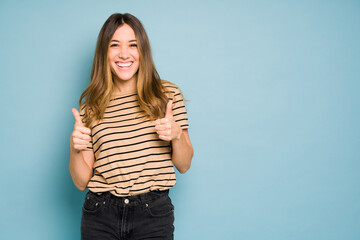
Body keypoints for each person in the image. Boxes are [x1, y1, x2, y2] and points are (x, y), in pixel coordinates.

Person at [68, 13, 194, 240]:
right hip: (100, 213)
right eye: (114, 45)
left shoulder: (166, 95)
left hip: (153, 215)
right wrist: (75, 148)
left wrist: (176, 135)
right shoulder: (91, 107)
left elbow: (184, 165)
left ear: (142, 51)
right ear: (103, 53)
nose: (124, 54)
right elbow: (80, 182)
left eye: (133, 45)